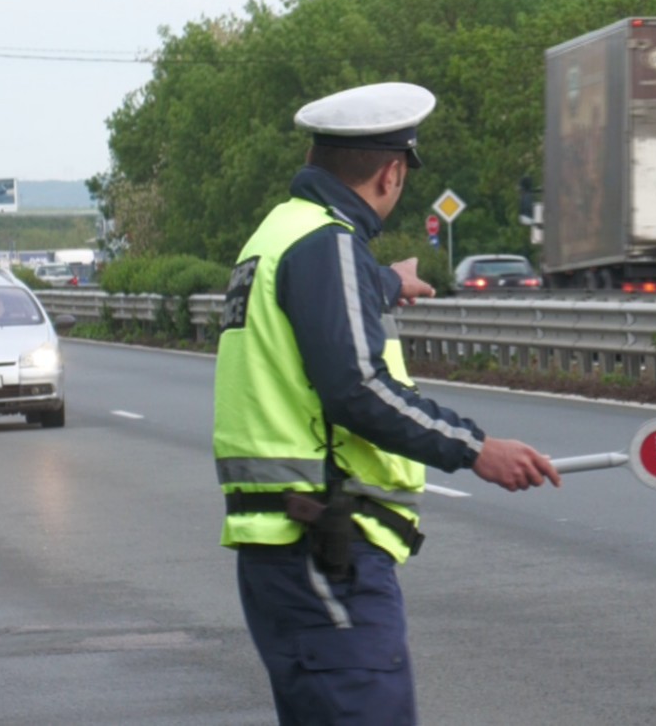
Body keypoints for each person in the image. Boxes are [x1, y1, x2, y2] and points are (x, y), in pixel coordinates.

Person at [213, 82, 562, 725]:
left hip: (284, 553)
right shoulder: (329, 243)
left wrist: (383, 281)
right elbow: (357, 390)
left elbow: (313, 307)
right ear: (393, 171)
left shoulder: (279, 232)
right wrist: (477, 449)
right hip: (323, 545)